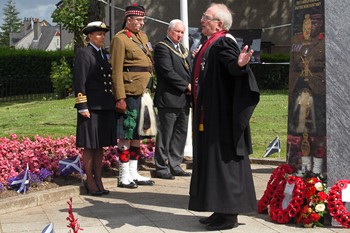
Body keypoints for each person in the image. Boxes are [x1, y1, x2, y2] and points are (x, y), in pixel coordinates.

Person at [188, 3, 260, 231]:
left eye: (206, 17)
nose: (202, 20)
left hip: (221, 117)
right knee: (212, 164)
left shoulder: (223, 42)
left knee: (223, 164)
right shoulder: (209, 43)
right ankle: (219, 210)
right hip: (209, 114)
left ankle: (229, 216)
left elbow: (231, 64)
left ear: (219, 23)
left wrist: (238, 66)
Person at [110, 4, 155, 188]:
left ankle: (134, 172)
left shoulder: (142, 37)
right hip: (128, 93)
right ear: (128, 20)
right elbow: (116, 71)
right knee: (126, 134)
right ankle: (123, 175)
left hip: (143, 92)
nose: (141, 23)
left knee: (138, 134)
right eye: (138, 20)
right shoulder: (120, 39)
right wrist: (119, 97)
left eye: (142, 19)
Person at [73, 21, 116, 196]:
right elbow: (79, 81)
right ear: (90, 36)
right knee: (90, 146)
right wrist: (82, 105)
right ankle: (90, 181)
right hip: (90, 107)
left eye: (104, 34)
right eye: (99, 34)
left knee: (100, 146)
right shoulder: (85, 53)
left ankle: (98, 179)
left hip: (104, 106)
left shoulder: (103, 54)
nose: (102, 37)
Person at [153, 19, 192, 180]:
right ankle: (161, 167)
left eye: (182, 32)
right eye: (177, 32)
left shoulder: (183, 49)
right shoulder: (162, 47)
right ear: (169, 31)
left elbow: (188, 70)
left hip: (184, 100)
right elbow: (167, 72)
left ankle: (175, 164)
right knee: (165, 134)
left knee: (180, 134)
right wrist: (187, 86)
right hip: (168, 99)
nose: (180, 35)